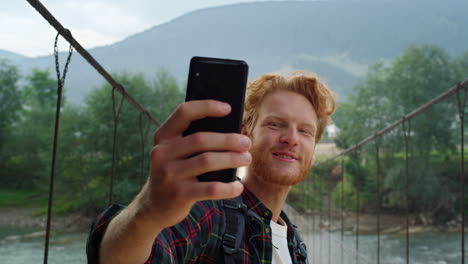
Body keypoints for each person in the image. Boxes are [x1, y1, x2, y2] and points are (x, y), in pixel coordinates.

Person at [86, 72, 336, 264]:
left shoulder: (295, 243)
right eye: (275, 124)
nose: (291, 138)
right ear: (244, 136)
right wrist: (147, 212)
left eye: (305, 131)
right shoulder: (209, 210)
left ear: (313, 153)